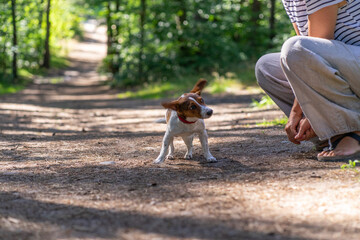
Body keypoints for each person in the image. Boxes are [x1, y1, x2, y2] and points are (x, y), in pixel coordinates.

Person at [255, 0, 360, 161]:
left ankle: (355, 131)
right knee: (267, 67)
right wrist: (309, 110)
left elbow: (314, 44)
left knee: (295, 48)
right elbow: (305, 54)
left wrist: (300, 111)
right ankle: (333, 133)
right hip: (346, 69)